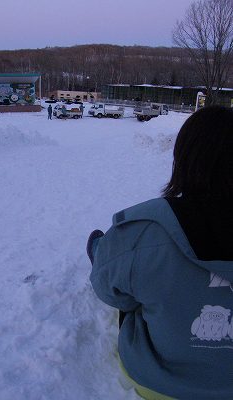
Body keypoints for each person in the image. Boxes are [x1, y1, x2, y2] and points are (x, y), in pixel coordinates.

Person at [87, 106, 233, 400]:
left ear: (185, 160)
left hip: (159, 383)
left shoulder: (147, 231)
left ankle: (100, 249)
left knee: (122, 261)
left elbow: (112, 294)